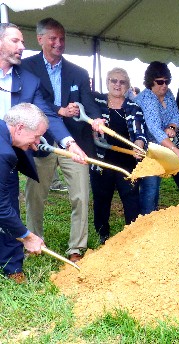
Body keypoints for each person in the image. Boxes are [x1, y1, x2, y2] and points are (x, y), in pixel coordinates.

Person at [21, 18, 103, 263]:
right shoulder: (26, 67)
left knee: (80, 195)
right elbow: (33, 102)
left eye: (62, 38)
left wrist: (97, 119)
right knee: (35, 195)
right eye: (53, 39)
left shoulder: (78, 72)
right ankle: (33, 241)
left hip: (76, 141)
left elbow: (89, 103)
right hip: (40, 141)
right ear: (40, 39)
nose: (59, 43)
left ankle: (76, 248)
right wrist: (60, 110)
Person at [91, 68, 147, 244]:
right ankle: (102, 233)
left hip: (126, 161)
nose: (117, 84)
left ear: (128, 86)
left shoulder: (133, 108)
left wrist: (139, 145)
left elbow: (140, 133)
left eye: (122, 82)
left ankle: (133, 233)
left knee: (131, 197)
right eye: (113, 80)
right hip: (102, 159)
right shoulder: (97, 102)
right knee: (101, 197)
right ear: (107, 82)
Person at [0, 103, 49, 283]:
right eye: (36, 136)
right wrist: (27, 237)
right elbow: (1, 207)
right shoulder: (4, 153)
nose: (37, 143)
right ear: (20, 128)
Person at [135, 61, 179, 215]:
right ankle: (145, 221)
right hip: (146, 148)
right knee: (150, 187)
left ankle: (152, 217)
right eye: (160, 82)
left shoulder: (168, 94)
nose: (164, 85)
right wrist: (174, 148)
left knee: (155, 186)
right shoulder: (148, 98)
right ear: (151, 81)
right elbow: (154, 128)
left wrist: (171, 127)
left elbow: (177, 116)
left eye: (167, 81)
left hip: (161, 147)